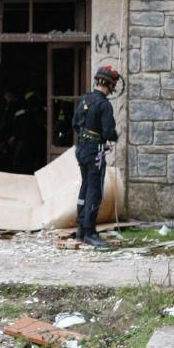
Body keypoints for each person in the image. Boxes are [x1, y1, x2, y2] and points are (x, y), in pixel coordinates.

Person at [71, 65, 120, 248]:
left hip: (81, 149)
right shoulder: (104, 105)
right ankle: (90, 232)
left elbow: (75, 124)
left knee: (85, 187)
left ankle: (81, 229)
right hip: (95, 151)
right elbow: (108, 132)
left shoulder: (86, 99)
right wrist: (113, 137)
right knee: (95, 191)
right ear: (110, 85)